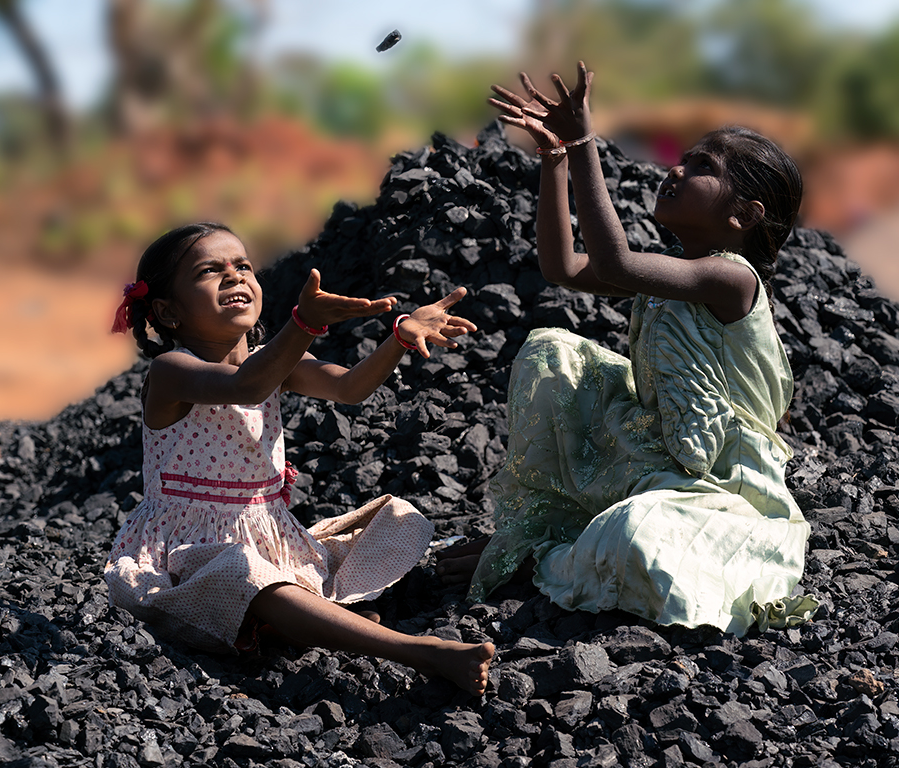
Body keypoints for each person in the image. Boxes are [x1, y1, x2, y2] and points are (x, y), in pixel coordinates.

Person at [437, 63, 818, 636]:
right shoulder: (676, 272)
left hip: (725, 483)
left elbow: (612, 262)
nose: (677, 170)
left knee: (636, 534)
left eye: (703, 167)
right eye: (684, 159)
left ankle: (548, 550)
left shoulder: (731, 279)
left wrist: (584, 142)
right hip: (653, 453)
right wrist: (555, 159)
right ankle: (550, 530)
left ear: (743, 215)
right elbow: (562, 268)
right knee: (551, 351)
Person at [105, 222, 494, 693]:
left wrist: (400, 337)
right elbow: (246, 386)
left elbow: (349, 388)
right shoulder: (173, 370)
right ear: (168, 311)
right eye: (209, 271)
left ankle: (293, 623)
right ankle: (418, 650)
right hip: (183, 553)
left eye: (243, 266)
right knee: (240, 571)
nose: (234, 276)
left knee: (397, 518)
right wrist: (304, 324)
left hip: (268, 537)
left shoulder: (275, 363)